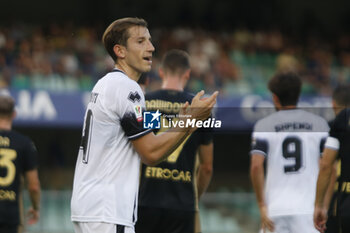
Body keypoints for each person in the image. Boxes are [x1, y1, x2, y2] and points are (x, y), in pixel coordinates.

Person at [70, 17, 218, 233]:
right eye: (140, 41)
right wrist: (189, 121)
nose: (151, 47)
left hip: (92, 206)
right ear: (120, 51)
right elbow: (150, 152)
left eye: (149, 41)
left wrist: (183, 123)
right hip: (108, 210)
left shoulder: (105, 83)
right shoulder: (127, 88)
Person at [135, 49, 214, 233]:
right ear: (187, 74)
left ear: (161, 72)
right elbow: (206, 167)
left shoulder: (149, 103)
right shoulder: (198, 109)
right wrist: (194, 198)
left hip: (147, 201)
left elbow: (143, 149)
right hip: (183, 204)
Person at [249, 72, 329, 233]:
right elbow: (327, 166)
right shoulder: (319, 124)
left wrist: (262, 206)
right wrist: (323, 205)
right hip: (308, 210)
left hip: (275, 210)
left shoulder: (263, 125)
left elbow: (256, 166)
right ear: (298, 95)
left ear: (275, 98)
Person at [0, 90, 41, 233]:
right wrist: (35, 208)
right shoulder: (24, 143)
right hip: (10, 216)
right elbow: (34, 186)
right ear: (14, 114)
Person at [314, 93, 350, 232]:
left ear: (334, 104)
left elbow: (326, 166)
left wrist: (320, 205)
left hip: (343, 201)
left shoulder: (340, 120)